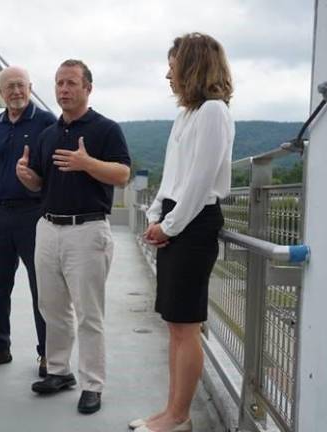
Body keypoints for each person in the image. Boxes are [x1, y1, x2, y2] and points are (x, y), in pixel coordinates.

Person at [129, 33, 234, 432]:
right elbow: (173, 178)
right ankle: (173, 411)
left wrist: (168, 226)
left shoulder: (213, 112)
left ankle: (178, 417)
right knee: (175, 324)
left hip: (194, 222)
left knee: (187, 326)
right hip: (177, 219)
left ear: (191, 66)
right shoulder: (187, 115)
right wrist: (156, 215)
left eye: (173, 64)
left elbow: (199, 181)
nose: (168, 73)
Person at [16, 59, 131, 415]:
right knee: (50, 307)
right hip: (48, 229)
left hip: (88, 230)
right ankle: (59, 371)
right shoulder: (47, 134)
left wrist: (88, 164)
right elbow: (39, 183)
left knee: (88, 313)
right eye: (59, 83)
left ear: (88, 88)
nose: (63, 89)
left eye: (71, 83)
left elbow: (123, 173)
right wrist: (26, 175)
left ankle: (92, 383)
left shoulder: (106, 129)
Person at [0, 66, 56, 376]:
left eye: (21, 85)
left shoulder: (47, 122)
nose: (16, 91)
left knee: (41, 286)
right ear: (0, 93)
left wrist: (36, 180)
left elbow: (56, 171)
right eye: (9, 87)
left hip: (34, 213)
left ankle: (48, 354)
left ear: (30, 87)